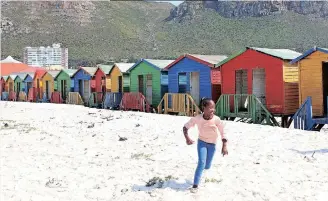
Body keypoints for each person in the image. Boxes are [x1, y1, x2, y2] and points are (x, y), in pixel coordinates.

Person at [183, 97, 228, 193]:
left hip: (212, 144)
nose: (213, 110)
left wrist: (224, 146)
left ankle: (201, 174)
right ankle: (195, 185)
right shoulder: (197, 118)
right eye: (210, 108)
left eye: (214, 107)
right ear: (204, 108)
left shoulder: (217, 120)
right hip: (202, 143)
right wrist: (187, 138)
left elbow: (223, 132)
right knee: (201, 162)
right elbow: (185, 127)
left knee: (207, 166)